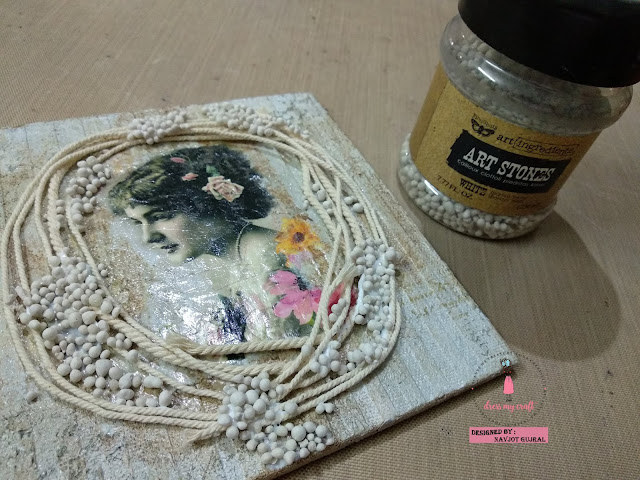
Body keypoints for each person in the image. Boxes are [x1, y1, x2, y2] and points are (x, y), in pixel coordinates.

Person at [109, 145, 299, 344]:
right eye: (139, 223)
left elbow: (274, 345)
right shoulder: (226, 262)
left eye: (160, 216)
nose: (148, 237)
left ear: (204, 203)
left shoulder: (265, 254)